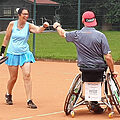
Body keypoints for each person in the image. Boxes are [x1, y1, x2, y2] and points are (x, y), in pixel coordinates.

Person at [53, 11, 117, 113]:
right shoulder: (101, 36)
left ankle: (91, 100)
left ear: (83, 21)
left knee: (86, 74)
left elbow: (62, 33)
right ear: (94, 21)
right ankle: (94, 101)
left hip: (84, 68)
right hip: (99, 68)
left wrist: (57, 26)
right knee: (101, 75)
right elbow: (108, 57)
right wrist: (113, 71)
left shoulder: (76, 34)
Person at [0, 7, 49, 109]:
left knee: (27, 75)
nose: (26, 16)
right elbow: (6, 38)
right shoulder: (12, 24)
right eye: (24, 14)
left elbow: (38, 30)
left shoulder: (29, 26)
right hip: (12, 54)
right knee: (13, 78)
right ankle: (8, 94)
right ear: (19, 15)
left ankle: (29, 100)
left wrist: (44, 26)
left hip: (25, 53)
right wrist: (2, 53)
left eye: (27, 14)